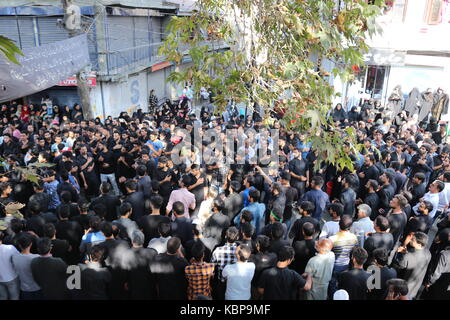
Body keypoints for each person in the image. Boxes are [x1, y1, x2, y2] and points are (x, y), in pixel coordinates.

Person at [392, 231, 431, 299]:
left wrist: (398, 253)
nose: (410, 240)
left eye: (413, 240)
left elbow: (397, 266)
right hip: (415, 287)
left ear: (419, 244)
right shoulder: (428, 253)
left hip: (403, 287)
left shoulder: (408, 256)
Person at [211, 227, 239, 300]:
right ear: (238, 237)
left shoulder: (217, 250)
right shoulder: (241, 251)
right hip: (236, 283)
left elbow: (212, 266)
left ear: (226, 236)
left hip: (222, 283)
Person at [0, 230, 20, 300]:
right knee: (15, 297)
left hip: (1, 280)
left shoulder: (9, 248)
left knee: (2, 297)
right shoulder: (10, 248)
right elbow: (18, 257)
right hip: (12, 277)